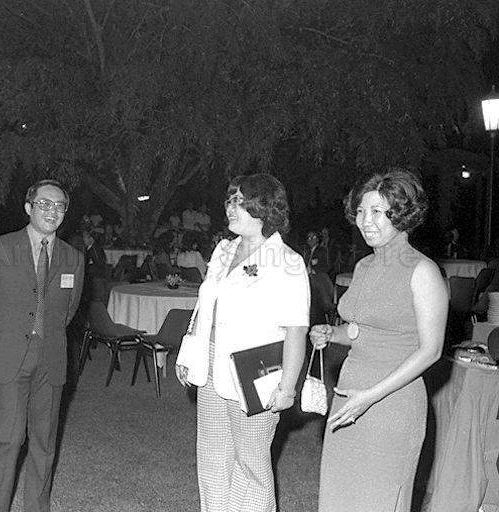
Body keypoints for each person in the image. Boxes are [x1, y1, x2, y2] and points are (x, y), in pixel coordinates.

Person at [309, 169, 447, 512]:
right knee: (341, 497)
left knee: (378, 500)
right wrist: (332, 334)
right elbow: (359, 331)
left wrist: (370, 397)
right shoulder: (365, 266)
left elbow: (431, 350)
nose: (365, 221)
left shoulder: (423, 271)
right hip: (350, 393)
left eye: (377, 212)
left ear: (400, 214)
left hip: (392, 402)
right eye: (360, 211)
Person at [175, 174, 310, 512]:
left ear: (263, 207)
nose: (230, 208)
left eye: (239, 201)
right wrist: (188, 353)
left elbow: (296, 330)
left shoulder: (287, 261)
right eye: (229, 200)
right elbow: (206, 306)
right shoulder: (223, 249)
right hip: (210, 370)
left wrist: (288, 387)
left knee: (251, 465)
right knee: (212, 459)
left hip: (256, 374)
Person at [0, 178, 84, 512]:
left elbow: (69, 310)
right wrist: (2, 341)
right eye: (44, 204)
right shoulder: (0, 247)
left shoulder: (73, 258)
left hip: (51, 360)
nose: (52, 211)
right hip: (9, 358)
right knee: (8, 439)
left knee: (44, 443)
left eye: (59, 206)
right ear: (28, 207)